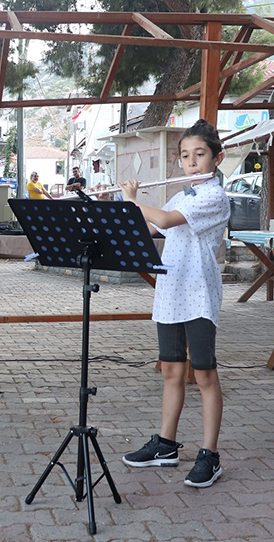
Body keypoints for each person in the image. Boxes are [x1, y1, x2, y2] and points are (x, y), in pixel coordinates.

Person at [117, 119, 231, 488]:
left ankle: (209, 455)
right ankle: (166, 445)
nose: (192, 162)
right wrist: (119, 210)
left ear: (217, 158)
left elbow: (163, 218)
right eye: (185, 156)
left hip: (197, 293)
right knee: (171, 370)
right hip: (171, 289)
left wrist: (134, 201)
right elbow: (152, 228)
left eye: (200, 154)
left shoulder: (215, 197)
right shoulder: (181, 194)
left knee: (204, 374)